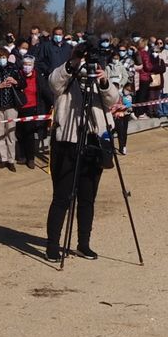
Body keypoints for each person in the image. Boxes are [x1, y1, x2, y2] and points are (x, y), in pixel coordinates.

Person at [44, 40, 120, 262]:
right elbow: (53, 84)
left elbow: (112, 100)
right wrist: (74, 62)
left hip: (93, 142)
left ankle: (83, 243)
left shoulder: (98, 74)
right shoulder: (68, 72)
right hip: (67, 140)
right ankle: (52, 245)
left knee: (87, 198)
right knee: (62, 197)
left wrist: (103, 80)